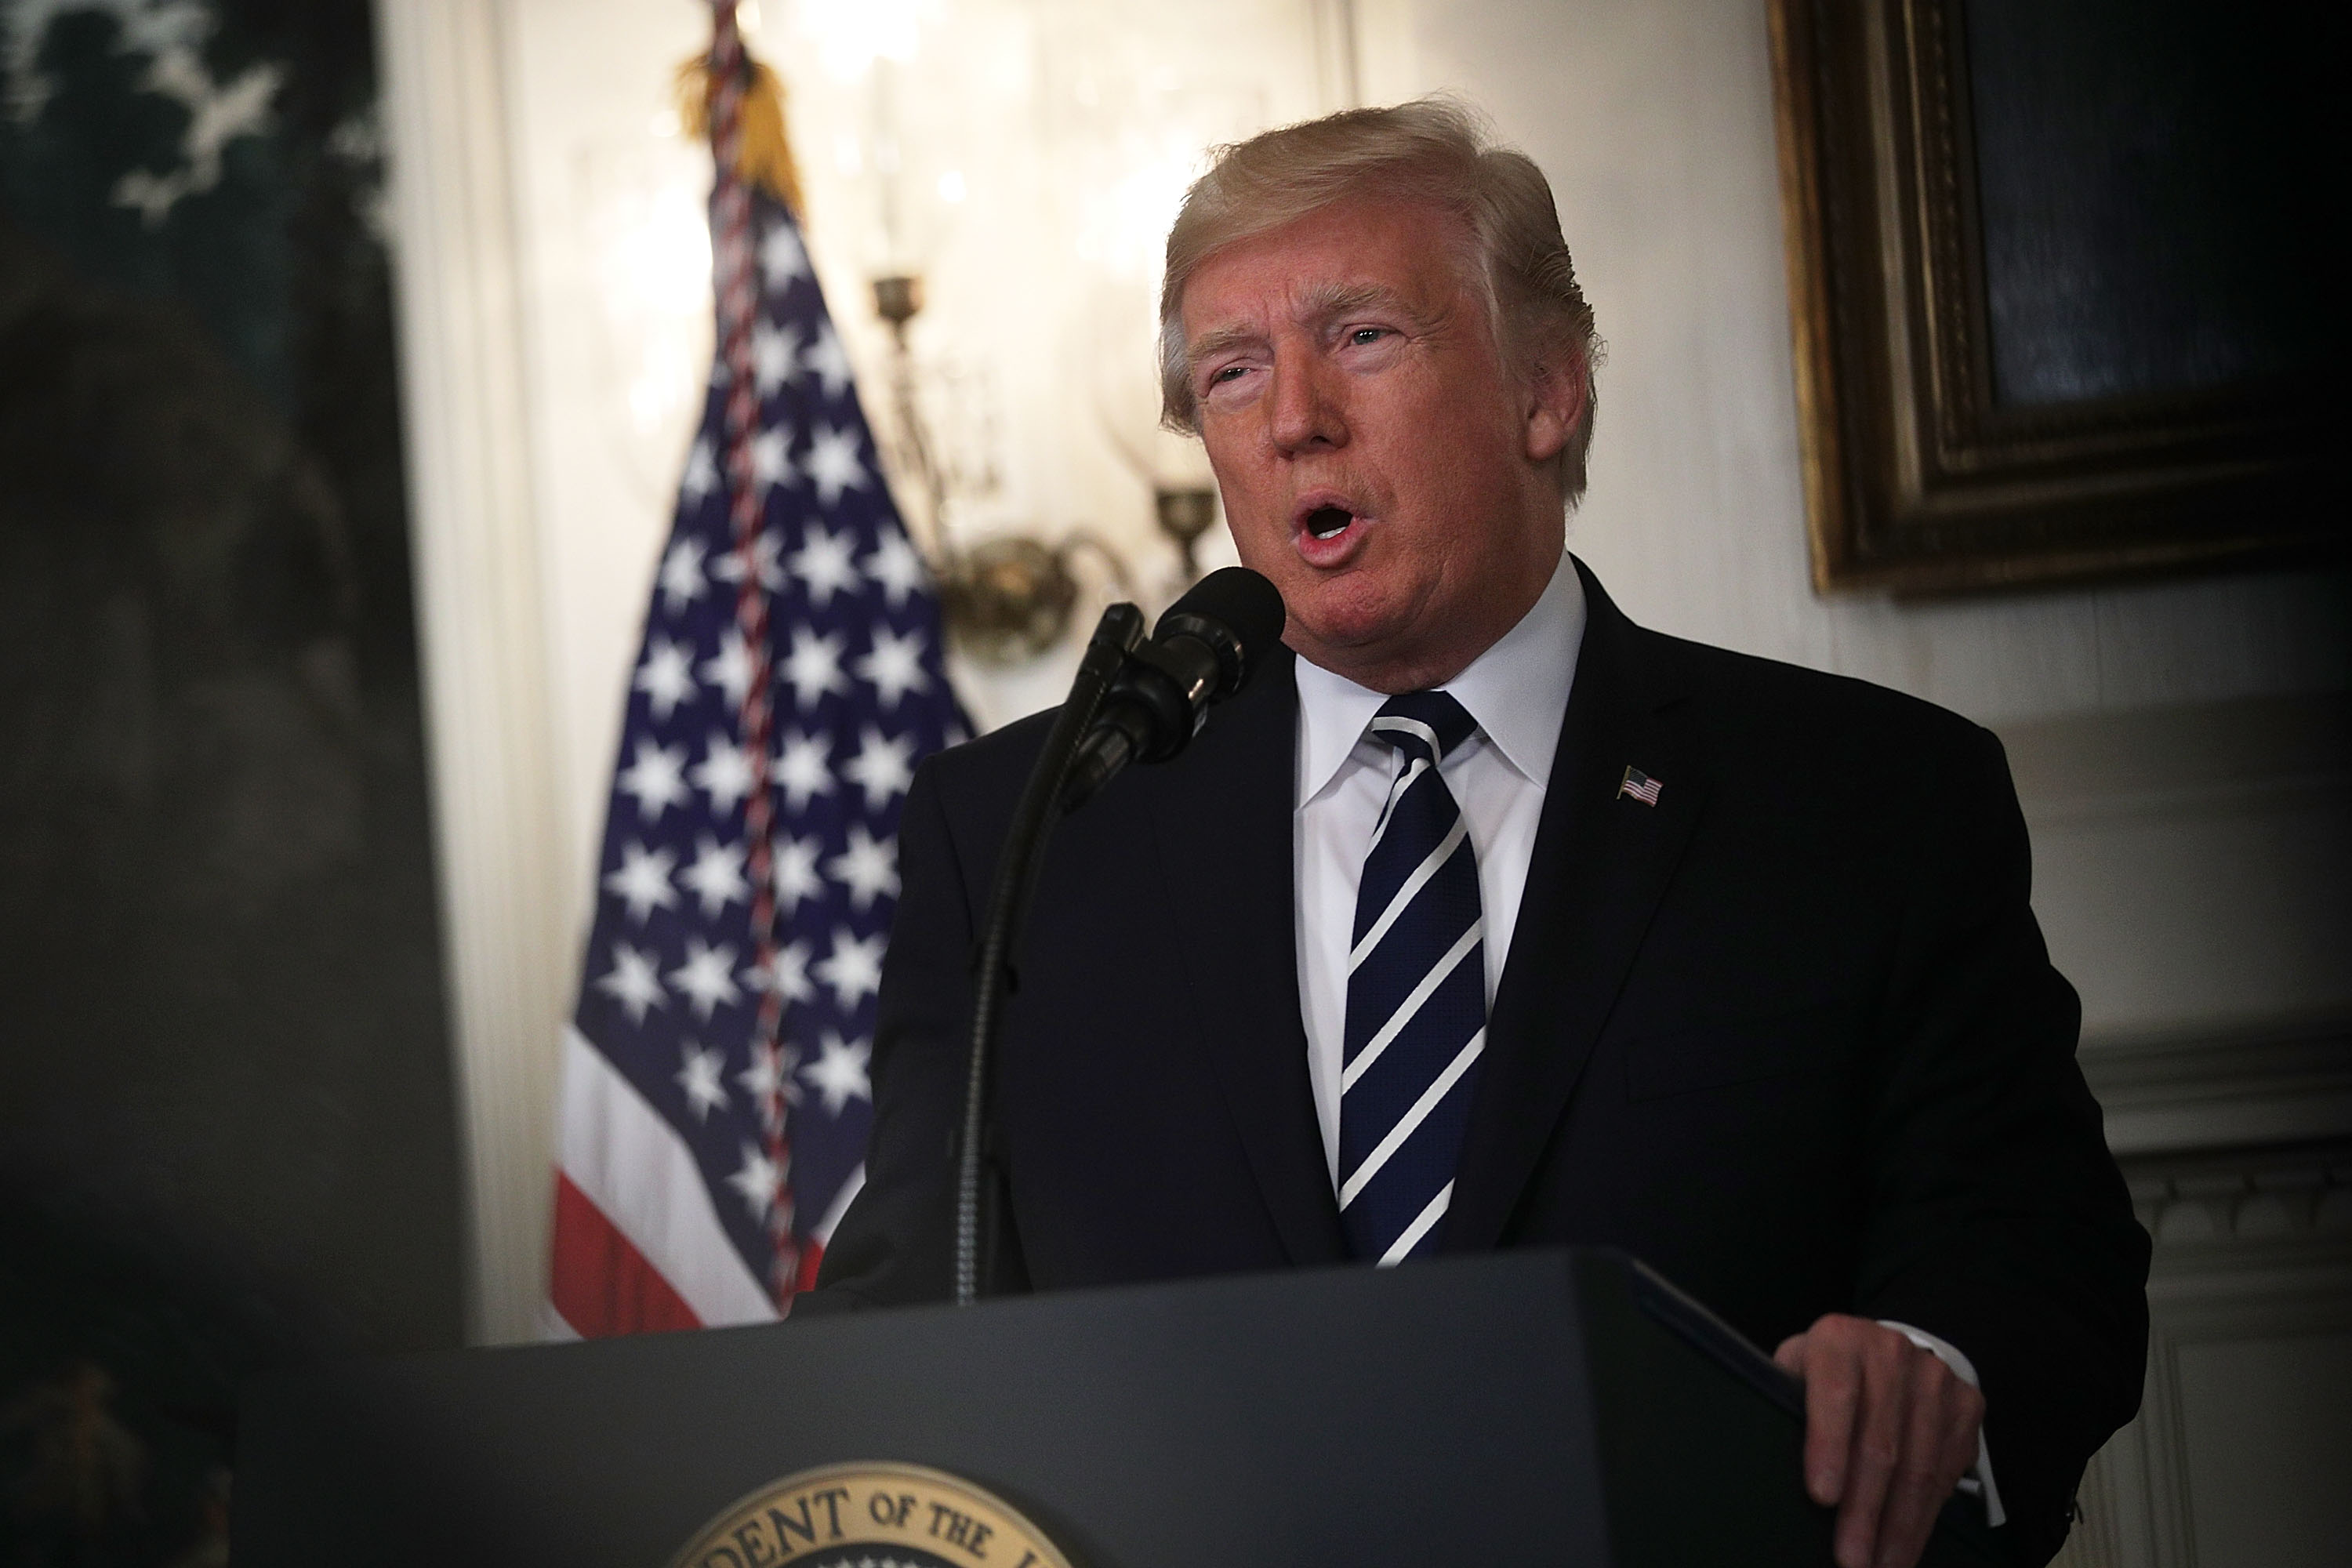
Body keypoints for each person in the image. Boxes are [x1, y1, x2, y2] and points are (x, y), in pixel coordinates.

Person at [807, 99, 2148, 1568]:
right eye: (1232, 372)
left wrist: (1925, 1365)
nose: (1292, 417)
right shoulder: (1030, 832)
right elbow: (896, 1328)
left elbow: (2038, 1258)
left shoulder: (1866, 799)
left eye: (1364, 337)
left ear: (1548, 390)